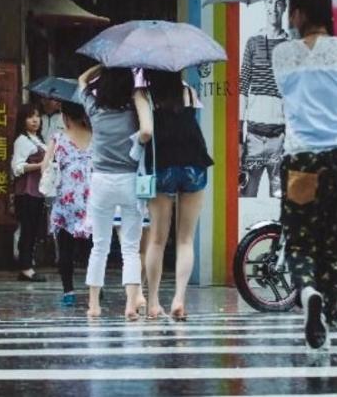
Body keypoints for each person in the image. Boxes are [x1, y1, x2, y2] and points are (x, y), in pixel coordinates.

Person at [271, 0, 337, 350]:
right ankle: (327, 312)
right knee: (336, 242)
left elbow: (287, 97)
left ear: (298, 13)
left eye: (291, 12)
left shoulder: (283, 56)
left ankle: (308, 291)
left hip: (302, 161)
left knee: (300, 239)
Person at [77, 65, 151, 320]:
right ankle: (130, 305)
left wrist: (101, 65)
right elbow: (147, 131)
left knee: (99, 246)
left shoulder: (94, 110)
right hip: (130, 180)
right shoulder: (133, 112)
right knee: (130, 248)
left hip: (101, 182)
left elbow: (82, 80)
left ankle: (94, 305)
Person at [141, 69, 213, 321]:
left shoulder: (145, 95)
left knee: (157, 240)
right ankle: (179, 299)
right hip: (194, 165)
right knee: (185, 239)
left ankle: (152, 302)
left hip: (161, 166)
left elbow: (144, 130)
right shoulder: (189, 92)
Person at [42, 102, 93, 307]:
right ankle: (95, 288)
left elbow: (45, 168)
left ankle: (68, 291)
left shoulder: (58, 138)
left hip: (66, 200)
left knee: (66, 249)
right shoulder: (94, 137)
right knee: (93, 248)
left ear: (64, 117)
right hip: (91, 200)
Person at [239, 0, 288, 198]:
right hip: (254, 137)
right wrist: (238, 137)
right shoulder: (253, 43)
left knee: (278, 201)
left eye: (278, 3)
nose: (273, 8)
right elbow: (243, 87)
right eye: (269, 2)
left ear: (284, 6)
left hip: (280, 138)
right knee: (247, 195)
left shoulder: (291, 47)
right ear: (264, 5)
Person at [11, 103, 47, 283]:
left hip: (37, 191)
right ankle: (25, 267)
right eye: (30, 116)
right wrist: (39, 166)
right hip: (26, 192)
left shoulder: (38, 139)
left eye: (37, 116)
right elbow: (16, 168)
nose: (35, 120)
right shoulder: (22, 141)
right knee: (27, 230)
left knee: (33, 230)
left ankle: (28, 265)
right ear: (22, 120)